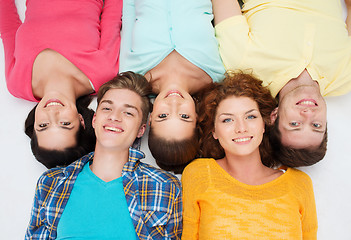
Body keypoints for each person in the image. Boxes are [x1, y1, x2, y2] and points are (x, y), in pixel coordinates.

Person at [25, 72, 182, 239]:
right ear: (94, 120)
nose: (114, 116)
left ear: (141, 130)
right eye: (107, 108)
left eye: (128, 113)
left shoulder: (164, 186)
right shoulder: (51, 182)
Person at [211, 0, 351, 166]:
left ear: (274, 116)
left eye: (294, 124)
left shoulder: (243, 63)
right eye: (316, 124)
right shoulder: (345, 76)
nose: (308, 114)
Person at [182, 72, 317, 239]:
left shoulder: (299, 183)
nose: (241, 128)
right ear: (214, 131)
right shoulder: (199, 174)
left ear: (264, 124)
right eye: (227, 120)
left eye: (250, 116)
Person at [0, 0, 122, 168]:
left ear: (34, 124)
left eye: (43, 125)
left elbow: (8, 29)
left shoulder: (17, 83)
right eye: (65, 124)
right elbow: (113, 15)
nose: (53, 113)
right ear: (81, 121)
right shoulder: (102, 74)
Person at [119, 0, 226, 173]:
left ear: (151, 118)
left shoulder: (132, 73)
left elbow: (129, 14)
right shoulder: (216, 74)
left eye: (163, 115)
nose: (173, 103)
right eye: (184, 116)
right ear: (197, 117)